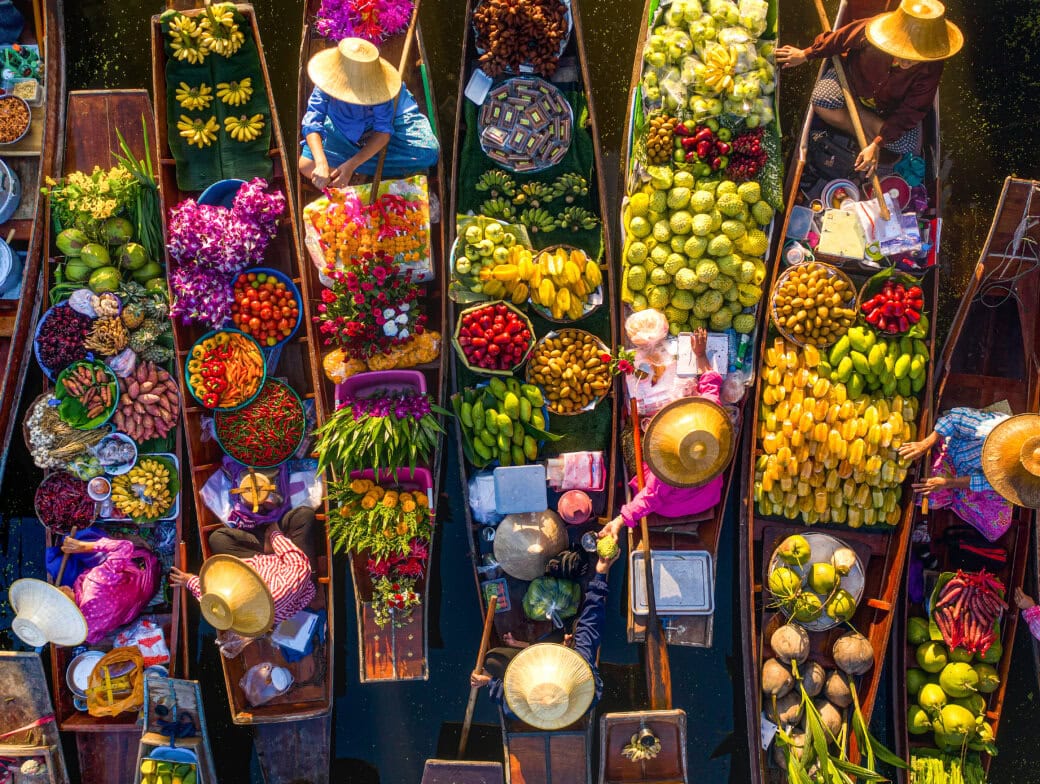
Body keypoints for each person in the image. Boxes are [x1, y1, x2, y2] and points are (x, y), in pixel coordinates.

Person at [775, 0, 962, 175]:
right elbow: (840, 39)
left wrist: (877, 144)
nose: (906, 61)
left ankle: (868, 138)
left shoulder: (932, 66)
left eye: (915, 57)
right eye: (903, 53)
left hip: (888, 109)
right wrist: (806, 54)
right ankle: (865, 132)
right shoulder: (873, 30)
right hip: (852, 85)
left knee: (907, 144)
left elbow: (913, 110)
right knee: (821, 100)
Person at [599, 328, 727, 543]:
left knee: (631, 436)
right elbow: (710, 384)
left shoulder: (667, 468)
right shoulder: (714, 425)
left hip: (672, 506)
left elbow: (649, 499)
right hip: (709, 496)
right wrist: (701, 355)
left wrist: (619, 521)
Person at [469, 549, 617, 718]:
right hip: (558, 656)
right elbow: (592, 621)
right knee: (578, 626)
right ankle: (557, 644)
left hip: (543, 664)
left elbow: (502, 694)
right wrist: (600, 573)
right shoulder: (587, 687)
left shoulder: (516, 707)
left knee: (491, 659)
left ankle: (544, 646)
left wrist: (487, 681)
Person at [299, 37, 439, 191]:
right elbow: (312, 123)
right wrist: (321, 163)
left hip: (384, 127)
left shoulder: (380, 86)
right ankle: (348, 171)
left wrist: (352, 164)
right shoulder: (327, 81)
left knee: (429, 153)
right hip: (342, 130)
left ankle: (351, 170)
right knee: (306, 165)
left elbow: (383, 131)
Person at [170, 506, 318, 628]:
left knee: (217, 539)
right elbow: (300, 566)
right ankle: (273, 539)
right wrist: (274, 535)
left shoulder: (225, 605)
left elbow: (206, 594)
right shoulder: (278, 594)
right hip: (295, 573)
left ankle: (267, 543)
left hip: (260, 562)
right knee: (303, 515)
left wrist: (188, 580)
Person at [899, 407, 1012, 541]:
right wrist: (924, 444)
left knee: (998, 526)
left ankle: (954, 498)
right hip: (951, 453)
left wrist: (948, 484)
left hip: (966, 474)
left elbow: (983, 481)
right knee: (927, 493)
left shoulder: (1014, 476)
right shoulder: (991, 430)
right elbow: (953, 419)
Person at [54, 534, 160, 645]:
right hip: (148, 570)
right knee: (81, 538)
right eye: (59, 591)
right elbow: (125, 546)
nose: (59, 587)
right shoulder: (95, 582)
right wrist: (83, 546)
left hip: (138, 604)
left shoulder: (85, 632)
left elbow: (96, 638)